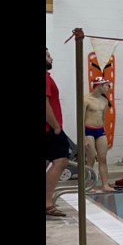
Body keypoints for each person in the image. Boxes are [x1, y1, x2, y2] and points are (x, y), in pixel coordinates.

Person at [46, 47, 71, 217]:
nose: (51, 57)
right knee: (61, 160)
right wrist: (55, 126)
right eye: (47, 55)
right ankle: (47, 203)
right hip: (49, 128)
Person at [83, 77, 115, 192]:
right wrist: (83, 138)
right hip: (88, 130)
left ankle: (105, 185)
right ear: (99, 85)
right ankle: (87, 184)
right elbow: (80, 120)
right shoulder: (86, 99)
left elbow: (103, 118)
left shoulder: (104, 101)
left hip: (100, 130)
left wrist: (105, 132)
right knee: (91, 158)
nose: (109, 88)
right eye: (107, 86)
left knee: (103, 158)